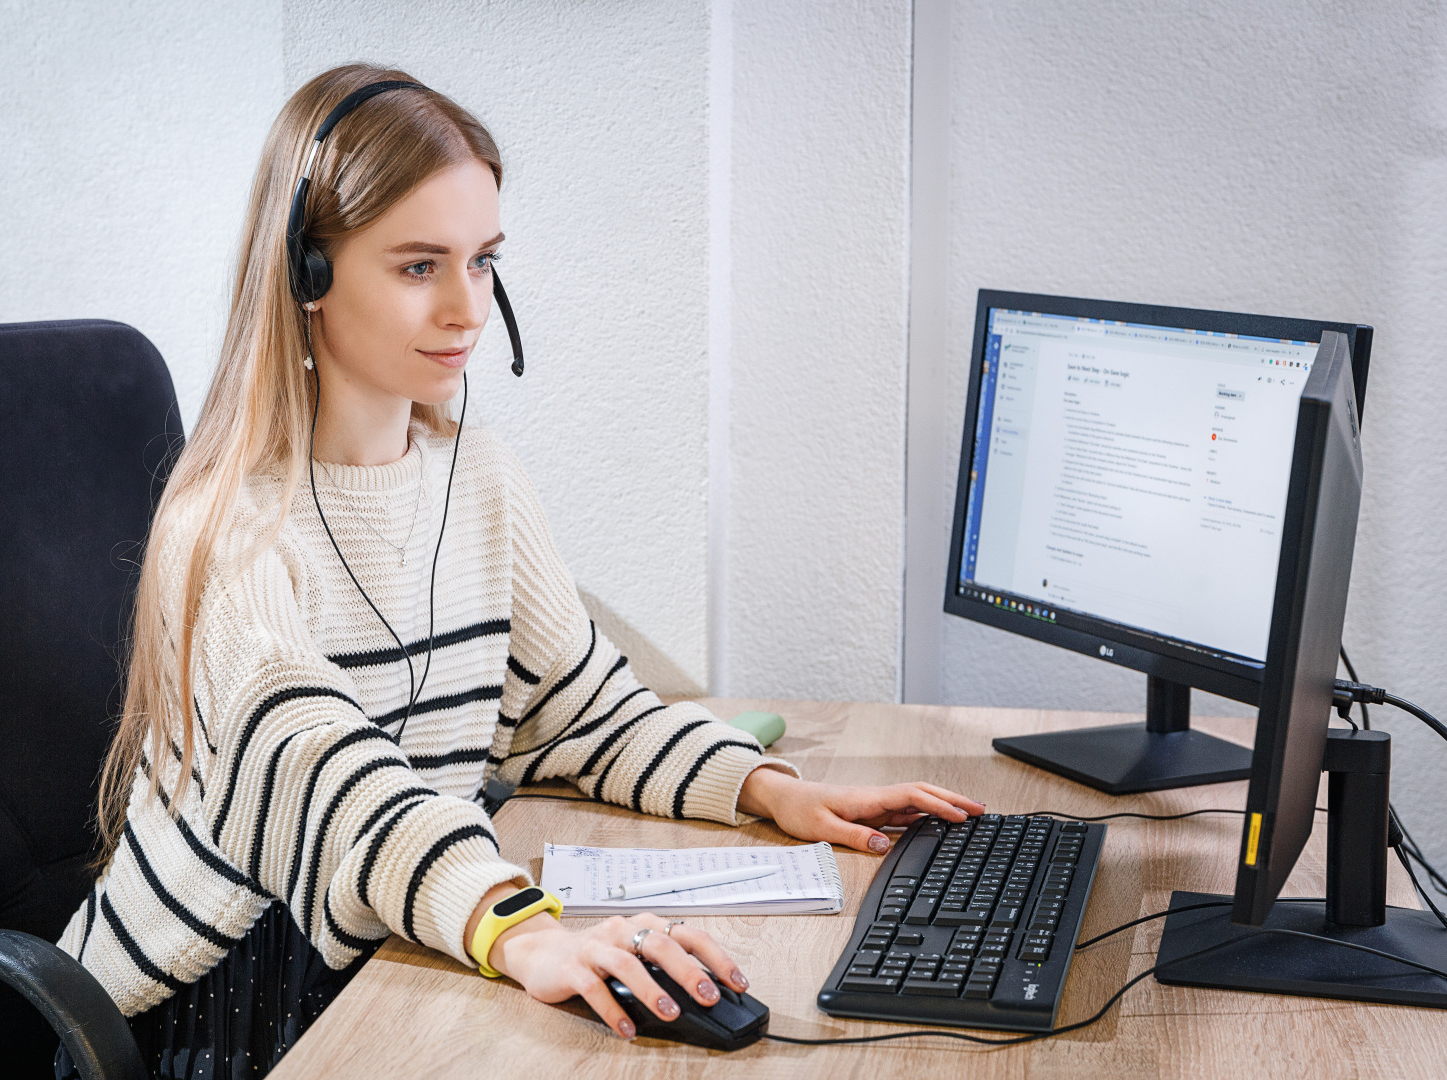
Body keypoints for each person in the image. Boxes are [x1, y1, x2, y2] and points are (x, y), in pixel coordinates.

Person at [54, 62, 984, 1079]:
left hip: (410, 919)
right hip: (226, 996)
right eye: (418, 266)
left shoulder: (477, 478)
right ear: (305, 275)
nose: (467, 308)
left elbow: (573, 708)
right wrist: (519, 929)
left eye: (483, 260)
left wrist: (766, 790)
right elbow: (325, 783)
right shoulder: (227, 529)